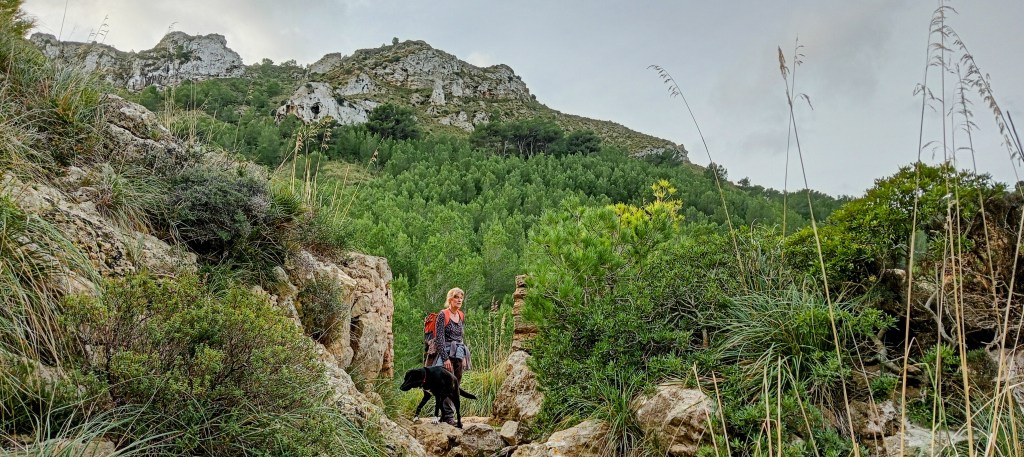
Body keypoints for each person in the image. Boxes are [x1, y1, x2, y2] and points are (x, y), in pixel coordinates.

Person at [427, 287, 471, 425]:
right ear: (450, 299)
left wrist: (463, 355)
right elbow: (439, 338)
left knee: (455, 384)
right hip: (445, 353)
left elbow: (460, 338)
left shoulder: (461, 315)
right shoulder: (443, 315)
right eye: (456, 297)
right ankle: (448, 415)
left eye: (461, 298)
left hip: (458, 353)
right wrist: (445, 358)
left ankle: (446, 415)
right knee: (444, 385)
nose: (459, 300)